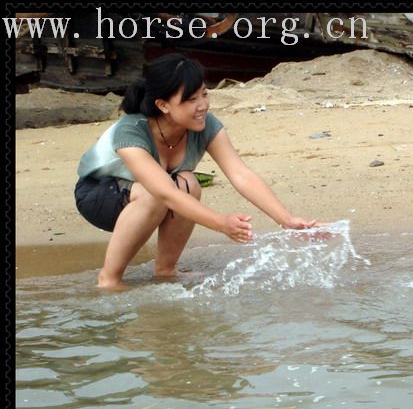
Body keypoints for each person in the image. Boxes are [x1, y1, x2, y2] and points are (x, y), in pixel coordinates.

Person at [75, 53, 320, 288]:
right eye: (191, 100)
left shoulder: (205, 124)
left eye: (204, 94)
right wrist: (221, 224)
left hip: (152, 196)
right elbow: (164, 194)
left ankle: (166, 269)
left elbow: (240, 174)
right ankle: (109, 279)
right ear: (163, 105)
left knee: (188, 182)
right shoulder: (131, 130)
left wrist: (286, 220)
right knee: (157, 193)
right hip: (99, 197)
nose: (202, 105)